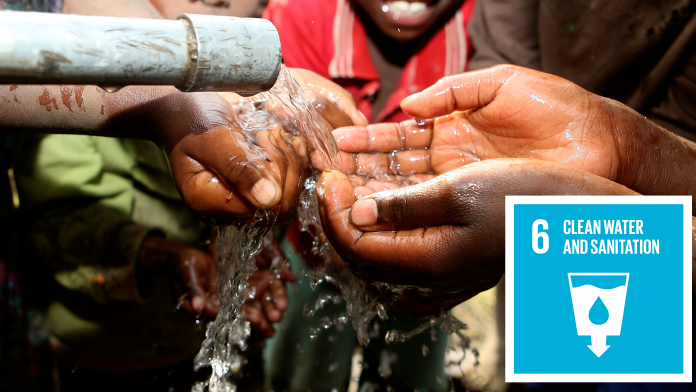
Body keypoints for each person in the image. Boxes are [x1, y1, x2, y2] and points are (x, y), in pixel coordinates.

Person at [317, 65, 696, 309]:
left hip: (668, 301)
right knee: (581, 363)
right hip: (651, 289)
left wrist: (557, 223)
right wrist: (623, 146)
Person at [262, 0, 475, 390]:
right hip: (312, 254)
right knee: (303, 374)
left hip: (425, 265)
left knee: (415, 375)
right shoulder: (299, 15)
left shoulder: (482, 27)